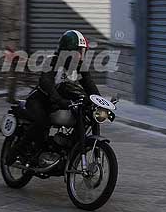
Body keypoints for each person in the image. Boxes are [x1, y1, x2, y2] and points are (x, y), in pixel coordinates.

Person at [7, 30, 100, 165]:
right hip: (40, 100)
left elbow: (89, 85)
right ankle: (15, 151)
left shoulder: (79, 66)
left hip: (59, 103)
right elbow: (46, 83)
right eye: (78, 52)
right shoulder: (52, 61)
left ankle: (66, 150)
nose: (81, 57)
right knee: (42, 122)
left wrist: (99, 101)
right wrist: (59, 100)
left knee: (85, 116)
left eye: (83, 52)